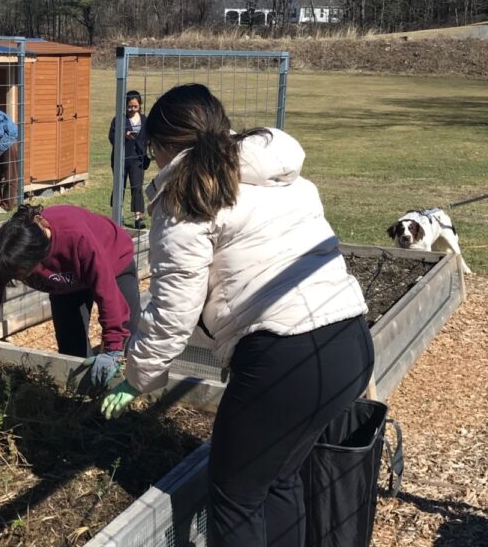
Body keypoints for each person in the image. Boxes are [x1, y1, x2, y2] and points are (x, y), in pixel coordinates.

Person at [101, 84, 373, 546]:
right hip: (349, 337)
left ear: (163, 145)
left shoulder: (184, 196)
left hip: (287, 356)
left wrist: (138, 375)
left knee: (234, 496)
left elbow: (173, 309)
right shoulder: (281, 176)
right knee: (279, 479)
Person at [0, 203, 141, 398]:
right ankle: (88, 411)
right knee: (73, 357)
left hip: (113, 263)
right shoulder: (11, 253)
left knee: (127, 346)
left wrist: (112, 348)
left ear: (40, 262)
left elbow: (108, 294)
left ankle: (132, 413)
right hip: (67, 286)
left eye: (21, 275)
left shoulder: (75, 237)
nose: (15, 279)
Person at [108, 90, 150, 229]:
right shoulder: (119, 119)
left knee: (137, 188)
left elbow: (149, 138)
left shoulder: (145, 120)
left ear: (140, 105)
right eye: (129, 106)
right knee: (119, 187)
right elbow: (111, 137)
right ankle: (117, 215)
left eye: (135, 106)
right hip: (121, 159)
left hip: (138, 159)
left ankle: (138, 218)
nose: (132, 109)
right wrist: (123, 135)